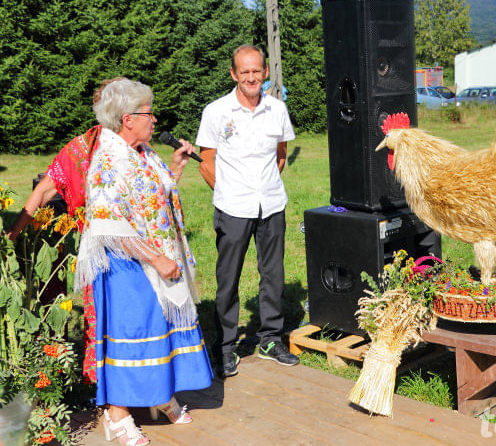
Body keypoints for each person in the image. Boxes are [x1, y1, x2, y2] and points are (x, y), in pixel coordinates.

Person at [76, 78, 212, 445]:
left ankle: (159, 393)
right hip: (127, 264)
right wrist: (155, 257)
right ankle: (117, 415)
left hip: (155, 256)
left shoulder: (142, 151)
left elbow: (156, 193)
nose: (155, 120)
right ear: (127, 119)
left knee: (162, 326)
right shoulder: (108, 158)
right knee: (134, 332)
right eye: (149, 113)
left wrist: (176, 166)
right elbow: (108, 225)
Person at [7, 77, 125, 385]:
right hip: (100, 249)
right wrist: (12, 235)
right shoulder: (82, 148)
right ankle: (101, 384)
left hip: (138, 248)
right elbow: (46, 189)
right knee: (99, 314)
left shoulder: (138, 145)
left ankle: (137, 382)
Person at [196, 44, 298, 377]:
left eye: (257, 71)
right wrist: (227, 191)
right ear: (234, 74)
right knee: (228, 280)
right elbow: (206, 161)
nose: (251, 77)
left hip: (271, 204)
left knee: (273, 275)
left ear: (265, 72)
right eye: (245, 72)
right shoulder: (216, 111)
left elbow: (280, 155)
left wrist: (263, 186)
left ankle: (270, 339)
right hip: (233, 207)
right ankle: (225, 348)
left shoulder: (277, 110)